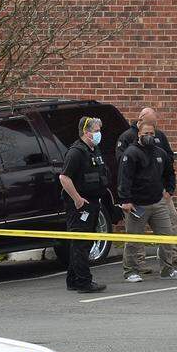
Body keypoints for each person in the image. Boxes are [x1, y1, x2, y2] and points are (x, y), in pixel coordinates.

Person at [117, 107, 177, 271]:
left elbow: (169, 168)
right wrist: (126, 199)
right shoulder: (129, 148)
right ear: (139, 131)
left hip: (158, 199)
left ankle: (169, 266)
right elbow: (124, 175)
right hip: (137, 202)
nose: (150, 136)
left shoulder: (159, 149)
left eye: (152, 132)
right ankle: (133, 268)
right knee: (134, 238)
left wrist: (169, 190)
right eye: (147, 133)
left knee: (168, 232)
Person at [58, 117, 108, 293]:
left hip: (93, 202)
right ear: (86, 132)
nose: (99, 134)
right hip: (80, 206)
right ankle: (84, 282)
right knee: (80, 243)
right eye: (96, 131)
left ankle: (73, 280)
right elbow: (64, 177)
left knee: (84, 243)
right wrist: (77, 199)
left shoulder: (94, 150)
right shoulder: (76, 152)